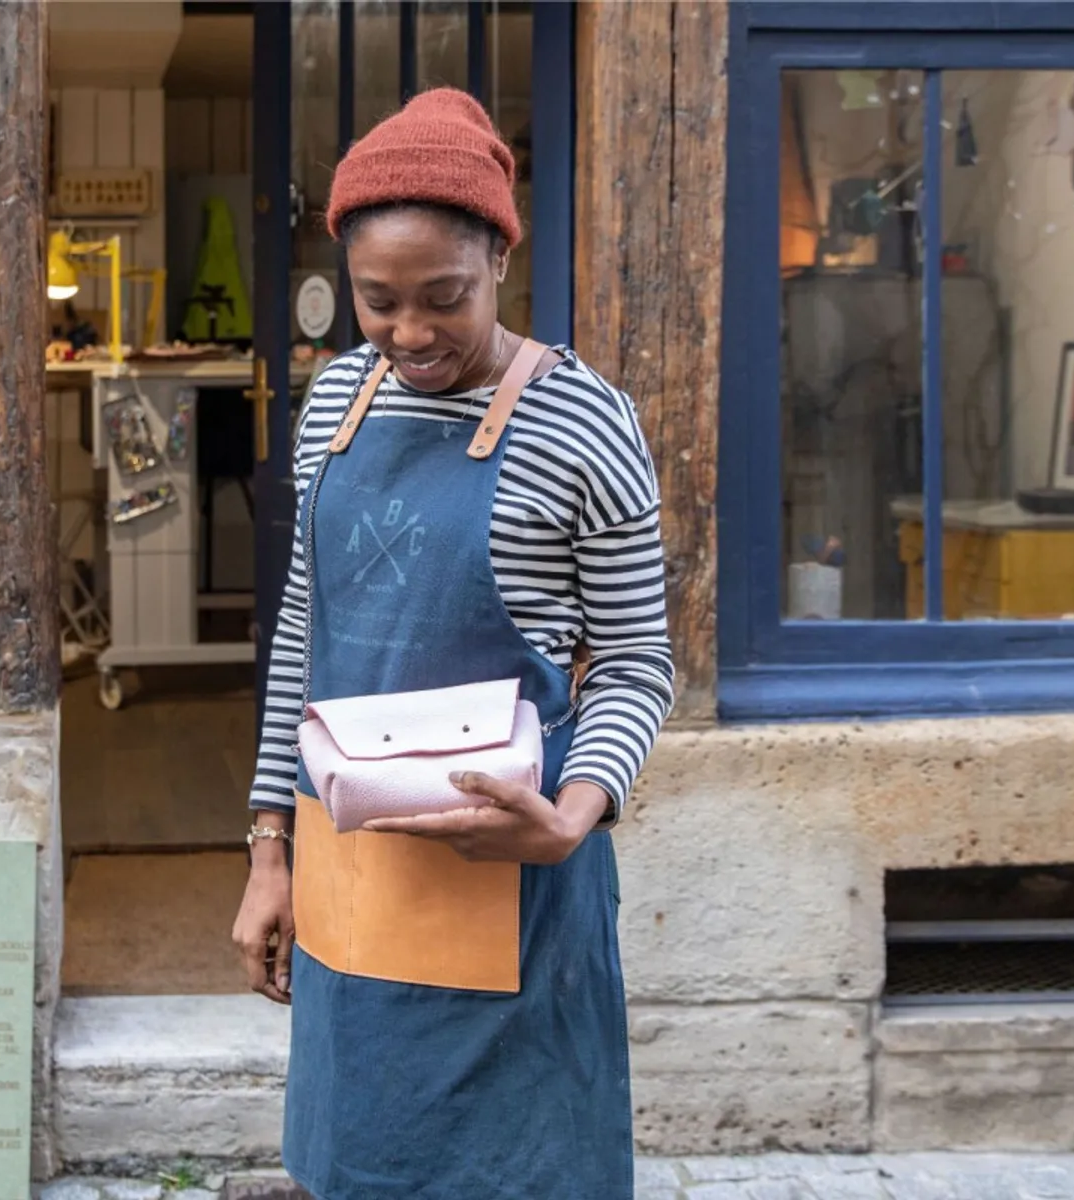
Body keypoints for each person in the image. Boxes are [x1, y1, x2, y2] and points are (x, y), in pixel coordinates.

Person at [231, 89, 674, 1200]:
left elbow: (634, 662)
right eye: (378, 302)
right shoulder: (337, 398)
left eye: (446, 299)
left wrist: (573, 818)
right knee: (358, 1162)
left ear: (500, 264)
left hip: (514, 879)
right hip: (355, 869)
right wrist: (270, 847)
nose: (411, 334)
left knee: (517, 1172)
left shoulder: (585, 423)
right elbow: (303, 631)